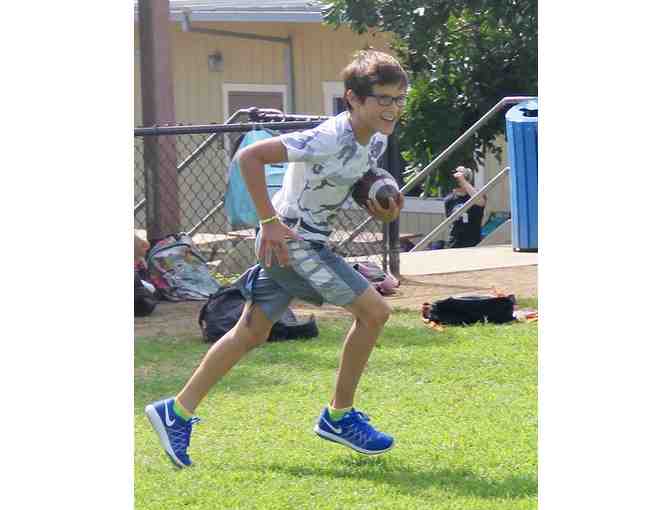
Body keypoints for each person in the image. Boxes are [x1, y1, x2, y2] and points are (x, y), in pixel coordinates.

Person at [144, 49, 408, 468]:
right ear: (353, 99)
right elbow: (249, 156)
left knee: (249, 334)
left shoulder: (376, 136)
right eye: (382, 99)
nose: (392, 109)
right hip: (295, 243)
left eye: (398, 99)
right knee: (374, 313)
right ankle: (339, 416)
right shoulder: (327, 136)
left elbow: (351, 175)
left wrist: (379, 199)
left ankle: (174, 413)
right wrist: (267, 221)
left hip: (295, 245)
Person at [443, 166, 486, 248]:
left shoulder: (476, 195)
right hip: (454, 243)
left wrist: (463, 181)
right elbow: (450, 222)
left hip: (472, 242)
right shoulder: (449, 199)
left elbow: (481, 202)